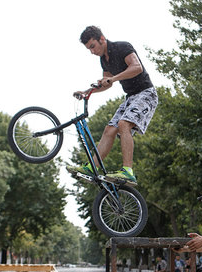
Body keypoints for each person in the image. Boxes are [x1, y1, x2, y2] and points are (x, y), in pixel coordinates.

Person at [67, 26, 159, 184]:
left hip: (146, 94)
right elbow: (107, 83)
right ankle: (92, 167)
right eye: (88, 49)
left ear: (101, 39)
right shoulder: (104, 60)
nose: (92, 51)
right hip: (131, 97)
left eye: (92, 46)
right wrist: (87, 91)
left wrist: (114, 78)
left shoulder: (122, 47)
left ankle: (128, 171)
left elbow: (137, 68)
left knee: (124, 124)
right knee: (109, 129)